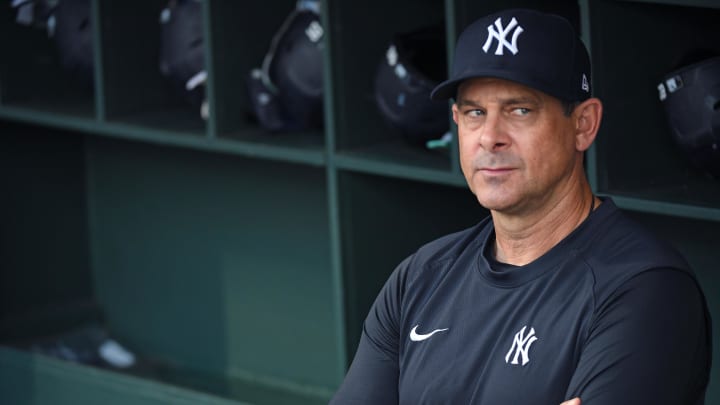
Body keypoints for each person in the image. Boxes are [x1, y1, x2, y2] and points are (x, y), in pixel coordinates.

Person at [329, 8, 712, 405]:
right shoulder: (420, 278)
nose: (490, 137)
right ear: (457, 120)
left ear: (583, 124)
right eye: (476, 112)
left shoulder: (645, 289)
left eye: (520, 110)